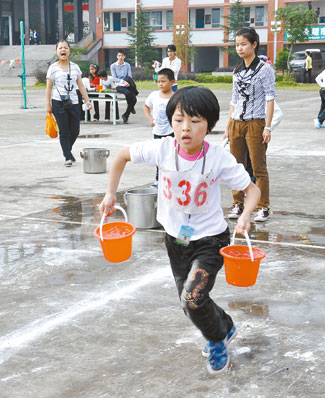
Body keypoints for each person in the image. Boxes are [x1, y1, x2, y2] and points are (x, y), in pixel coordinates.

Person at [99, 86, 260, 375]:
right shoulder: (161, 149)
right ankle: (226, 326)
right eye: (178, 119)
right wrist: (110, 195)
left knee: (192, 298)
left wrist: (246, 214)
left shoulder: (218, 158)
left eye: (195, 121)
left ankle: (217, 340)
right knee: (189, 303)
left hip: (211, 239)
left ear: (209, 125)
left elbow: (252, 190)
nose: (185, 128)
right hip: (177, 239)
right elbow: (121, 156)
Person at [225, 27, 275, 223]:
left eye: (243, 44)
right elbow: (234, 100)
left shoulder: (265, 70)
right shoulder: (237, 70)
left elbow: (270, 98)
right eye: (237, 44)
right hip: (237, 122)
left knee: (258, 167)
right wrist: (229, 126)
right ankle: (237, 204)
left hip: (256, 122)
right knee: (236, 166)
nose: (240, 48)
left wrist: (267, 126)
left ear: (254, 44)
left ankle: (263, 207)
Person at [46, 40, 92, 167]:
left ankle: (67, 150)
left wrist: (87, 100)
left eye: (65, 48)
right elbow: (48, 88)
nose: (63, 50)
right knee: (64, 131)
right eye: (60, 48)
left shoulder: (75, 67)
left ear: (69, 50)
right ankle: (67, 156)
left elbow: (81, 85)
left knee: (75, 130)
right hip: (58, 102)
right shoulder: (53, 68)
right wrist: (48, 104)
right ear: (57, 51)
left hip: (74, 102)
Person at [143, 67, 175, 187]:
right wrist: (149, 117)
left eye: (163, 81)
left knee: (171, 155)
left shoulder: (175, 97)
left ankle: (171, 179)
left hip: (171, 132)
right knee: (158, 156)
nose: (160, 84)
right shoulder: (154, 95)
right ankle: (158, 179)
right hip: (157, 132)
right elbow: (146, 106)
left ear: (172, 82)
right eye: (158, 81)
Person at [110, 49, 138, 123]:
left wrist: (127, 82)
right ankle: (130, 107)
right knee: (128, 94)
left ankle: (126, 115)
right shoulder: (113, 66)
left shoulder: (127, 65)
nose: (120, 57)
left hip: (127, 84)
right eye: (119, 55)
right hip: (119, 85)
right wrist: (122, 82)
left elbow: (129, 76)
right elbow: (114, 78)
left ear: (124, 56)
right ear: (117, 56)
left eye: (122, 55)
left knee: (134, 100)